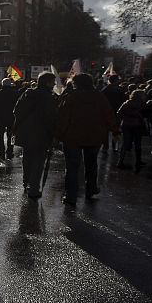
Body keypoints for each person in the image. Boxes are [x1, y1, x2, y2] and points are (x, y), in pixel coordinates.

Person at [56, 73, 119, 209]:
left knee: (72, 167)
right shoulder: (99, 97)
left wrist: (58, 134)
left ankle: (71, 196)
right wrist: (115, 131)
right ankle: (91, 189)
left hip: (72, 136)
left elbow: (63, 118)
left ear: (75, 83)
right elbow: (109, 114)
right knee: (91, 164)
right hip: (95, 135)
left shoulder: (70, 97)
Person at [13, 72, 58, 199]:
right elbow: (51, 118)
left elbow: (16, 110)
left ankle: (26, 182)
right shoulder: (49, 97)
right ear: (47, 83)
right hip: (41, 133)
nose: (54, 84)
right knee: (38, 161)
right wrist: (53, 134)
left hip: (25, 132)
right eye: (52, 82)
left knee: (27, 159)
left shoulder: (27, 94)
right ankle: (33, 188)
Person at [116, 89, 148, 172]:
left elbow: (118, 113)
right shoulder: (142, 104)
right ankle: (138, 161)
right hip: (137, 125)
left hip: (126, 125)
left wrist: (124, 119)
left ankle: (120, 161)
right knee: (137, 144)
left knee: (125, 144)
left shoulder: (126, 103)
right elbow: (145, 115)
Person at [0, 78, 19, 159]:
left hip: (0, 117)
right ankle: (9, 152)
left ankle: (2, 153)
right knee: (10, 135)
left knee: (0, 135)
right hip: (11, 117)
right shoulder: (15, 93)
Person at [101, 75, 125, 153]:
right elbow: (123, 101)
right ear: (115, 80)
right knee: (115, 130)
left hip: (106, 112)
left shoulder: (105, 89)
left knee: (105, 131)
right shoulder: (120, 90)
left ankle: (105, 147)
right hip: (116, 112)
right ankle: (115, 147)